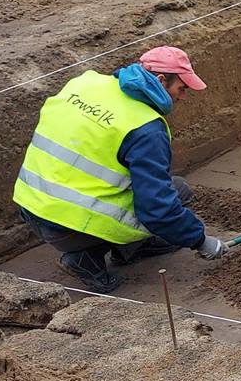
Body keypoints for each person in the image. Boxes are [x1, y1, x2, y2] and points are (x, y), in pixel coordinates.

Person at [12, 46, 226, 294]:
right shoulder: (145, 128)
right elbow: (158, 210)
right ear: (161, 80)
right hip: (65, 225)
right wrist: (200, 241)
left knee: (146, 191)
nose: (183, 96)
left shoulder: (85, 84)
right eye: (182, 88)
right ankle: (85, 260)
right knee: (178, 192)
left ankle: (132, 248)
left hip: (30, 204)